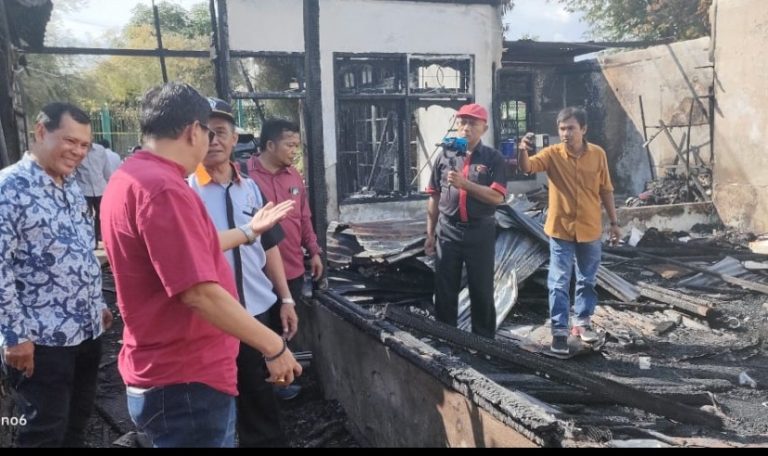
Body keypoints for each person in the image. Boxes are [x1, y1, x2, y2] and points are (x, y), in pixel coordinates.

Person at [100, 82, 302, 448]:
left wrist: (248, 231)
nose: (212, 142)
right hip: (186, 378)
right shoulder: (165, 189)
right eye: (208, 132)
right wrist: (273, 346)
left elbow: (198, 247)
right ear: (194, 130)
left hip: (173, 372)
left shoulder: (131, 177)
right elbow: (198, 293)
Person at [0, 102, 112, 447]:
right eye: (70, 141)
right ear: (40, 132)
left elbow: (78, 251)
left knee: (76, 426)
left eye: (84, 145)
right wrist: (14, 335)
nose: (78, 151)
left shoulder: (71, 185)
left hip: (86, 332)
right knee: (43, 433)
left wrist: (97, 305)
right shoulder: (9, 188)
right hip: (40, 342)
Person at [189, 97, 298, 447]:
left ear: (236, 139)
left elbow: (269, 246)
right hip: (212, 315)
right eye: (206, 132)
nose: (214, 140)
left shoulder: (249, 187)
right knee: (211, 404)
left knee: (260, 399)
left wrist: (285, 297)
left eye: (221, 132)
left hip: (256, 311)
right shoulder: (186, 190)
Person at [517, 106, 621, 355]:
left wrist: (615, 223)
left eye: (571, 128)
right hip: (560, 229)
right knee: (559, 281)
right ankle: (560, 331)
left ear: (583, 129)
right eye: (562, 129)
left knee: (587, 280)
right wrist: (522, 151)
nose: (565, 133)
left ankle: (582, 323)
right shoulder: (552, 154)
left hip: (590, 227)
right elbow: (527, 168)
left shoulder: (598, 155)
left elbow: (606, 189)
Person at [424, 103, 507, 339]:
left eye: (472, 123)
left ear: (484, 127)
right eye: (462, 122)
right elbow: (434, 195)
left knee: (481, 289)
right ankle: (446, 340)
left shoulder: (494, 159)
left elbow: (497, 197)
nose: (466, 128)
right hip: (448, 231)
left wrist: (465, 184)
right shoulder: (445, 155)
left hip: (480, 232)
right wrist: (430, 233)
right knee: (445, 289)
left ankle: (483, 344)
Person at [248, 119, 323, 309]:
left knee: (288, 331)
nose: (294, 151)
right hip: (257, 276)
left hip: (292, 271)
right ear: (271, 145)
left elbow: (304, 216)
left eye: (296, 146)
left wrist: (314, 251)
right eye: (290, 145)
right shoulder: (245, 176)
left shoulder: (294, 176)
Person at [74, 141, 111, 249]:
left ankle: (105, 239)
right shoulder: (78, 151)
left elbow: (106, 169)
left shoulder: (100, 150)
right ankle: (92, 242)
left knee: (103, 216)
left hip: (101, 188)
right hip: (85, 190)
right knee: (87, 217)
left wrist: (110, 185)